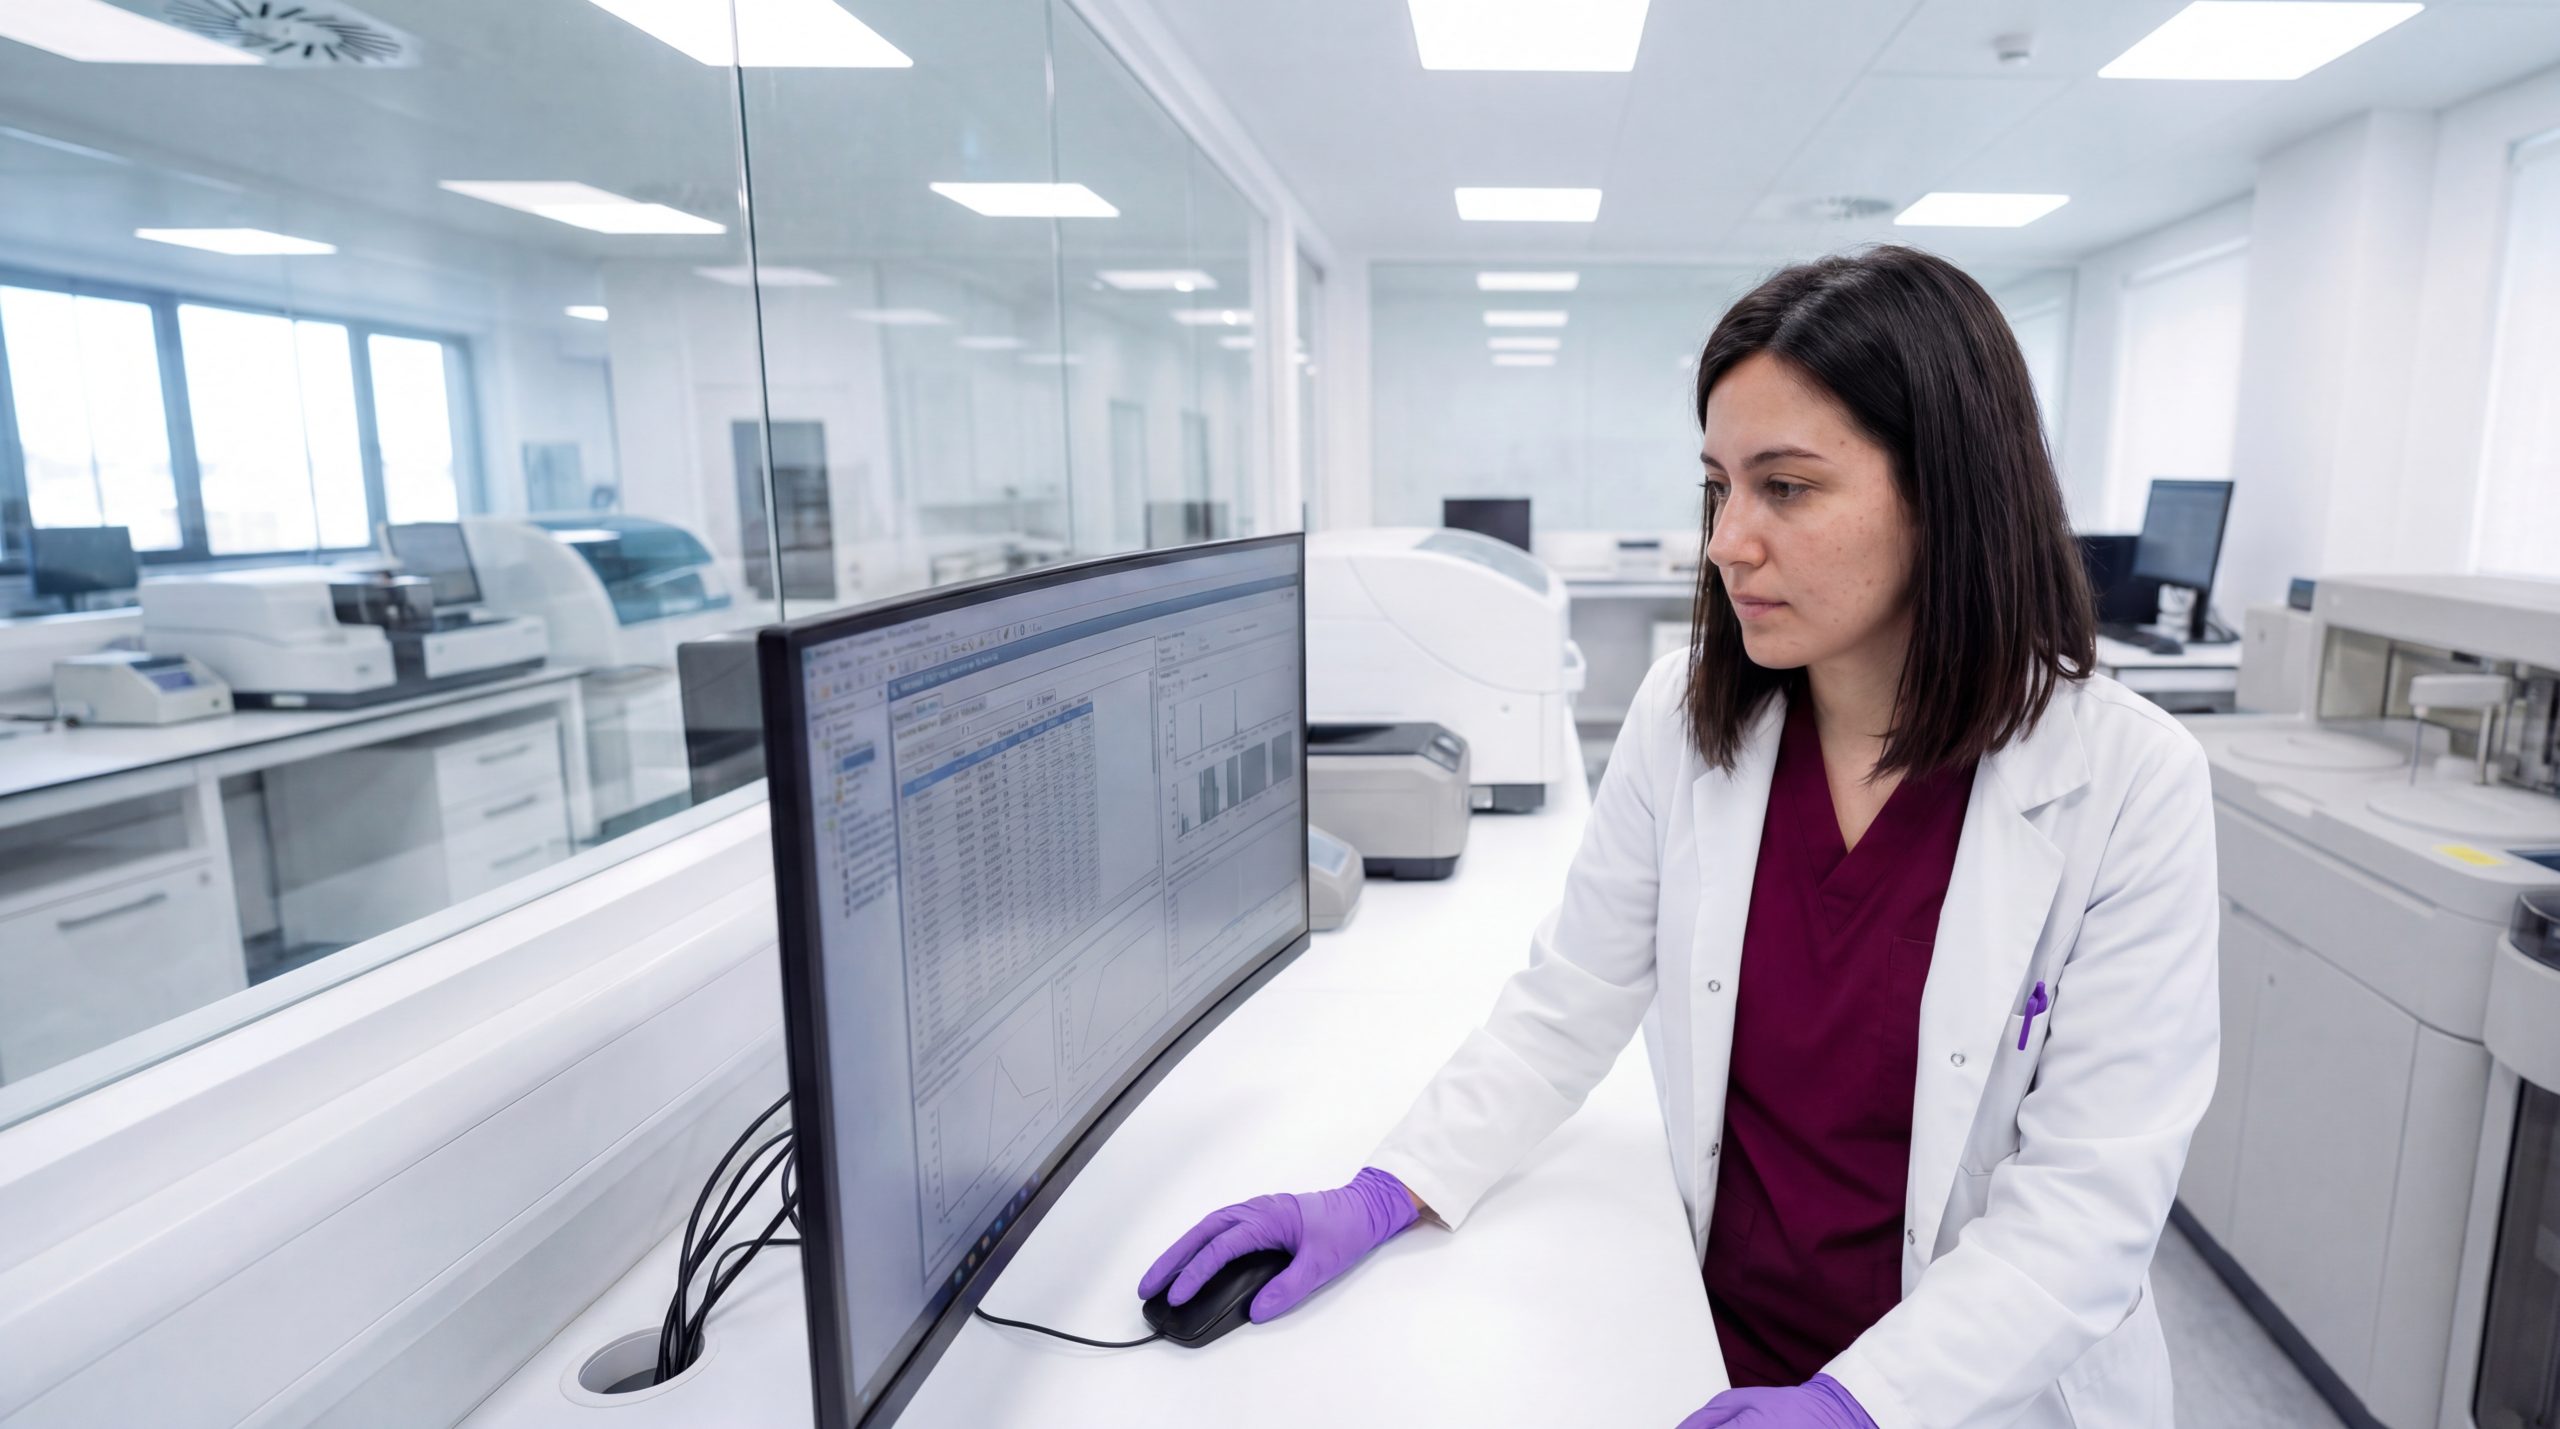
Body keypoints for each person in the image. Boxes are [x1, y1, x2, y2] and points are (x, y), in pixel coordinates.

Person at [1138, 246, 2220, 1429]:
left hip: (1961, 1390)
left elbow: (2086, 1208)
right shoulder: (1686, 717)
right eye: (1718, 486)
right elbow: (1566, 1004)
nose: (1726, 540)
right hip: (1708, 1346)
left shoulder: (2127, 783)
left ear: (1945, 494)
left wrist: (1857, 1404)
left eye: (1786, 487)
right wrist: (1387, 1187)